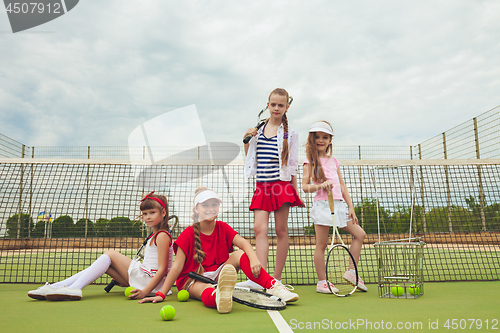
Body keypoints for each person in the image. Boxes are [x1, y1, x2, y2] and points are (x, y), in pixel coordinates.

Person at [139, 187, 298, 313]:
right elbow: (177, 267)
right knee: (206, 289)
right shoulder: (188, 233)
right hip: (192, 280)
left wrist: (255, 260)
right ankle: (219, 298)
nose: (210, 208)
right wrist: (161, 294)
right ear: (196, 210)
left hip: (218, 274)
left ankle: (274, 286)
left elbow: (243, 243)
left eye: (214, 204)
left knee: (240, 254)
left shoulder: (223, 227)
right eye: (205, 205)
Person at [28, 192, 174, 301]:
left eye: (152, 213)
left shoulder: (162, 236)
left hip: (150, 282)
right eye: (144, 213)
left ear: (163, 213)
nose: (147, 217)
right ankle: (56, 287)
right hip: (146, 279)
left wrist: (145, 291)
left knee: (109, 254)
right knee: (106, 266)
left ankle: (74, 288)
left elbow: (162, 270)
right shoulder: (156, 235)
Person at [240, 88, 303, 290]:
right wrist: (246, 138)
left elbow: (292, 165)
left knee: (281, 231)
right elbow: (251, 157)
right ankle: (260, 279)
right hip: (262, 186)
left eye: (281, 105)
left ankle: (276, 278)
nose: (276, 108)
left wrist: (296, 192)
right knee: (260, 229)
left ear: (287, 107)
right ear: (268, 105)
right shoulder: (257, 131)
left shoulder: (291, 133)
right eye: (273, 104)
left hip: (281, 186)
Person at [302, 121, 368, 293]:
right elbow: (304, 187)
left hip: (339, 207)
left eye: (325, 137)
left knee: (360, 234)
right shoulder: (309, 161)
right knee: (321, 245)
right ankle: (322, 282)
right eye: (317, 137)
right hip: (322, 206)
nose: (321, 140)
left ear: (330, 140)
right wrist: (320, 185)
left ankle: (352, 272)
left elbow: (343, 186)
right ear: (312, 139)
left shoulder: (334, 161)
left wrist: (351, 207)